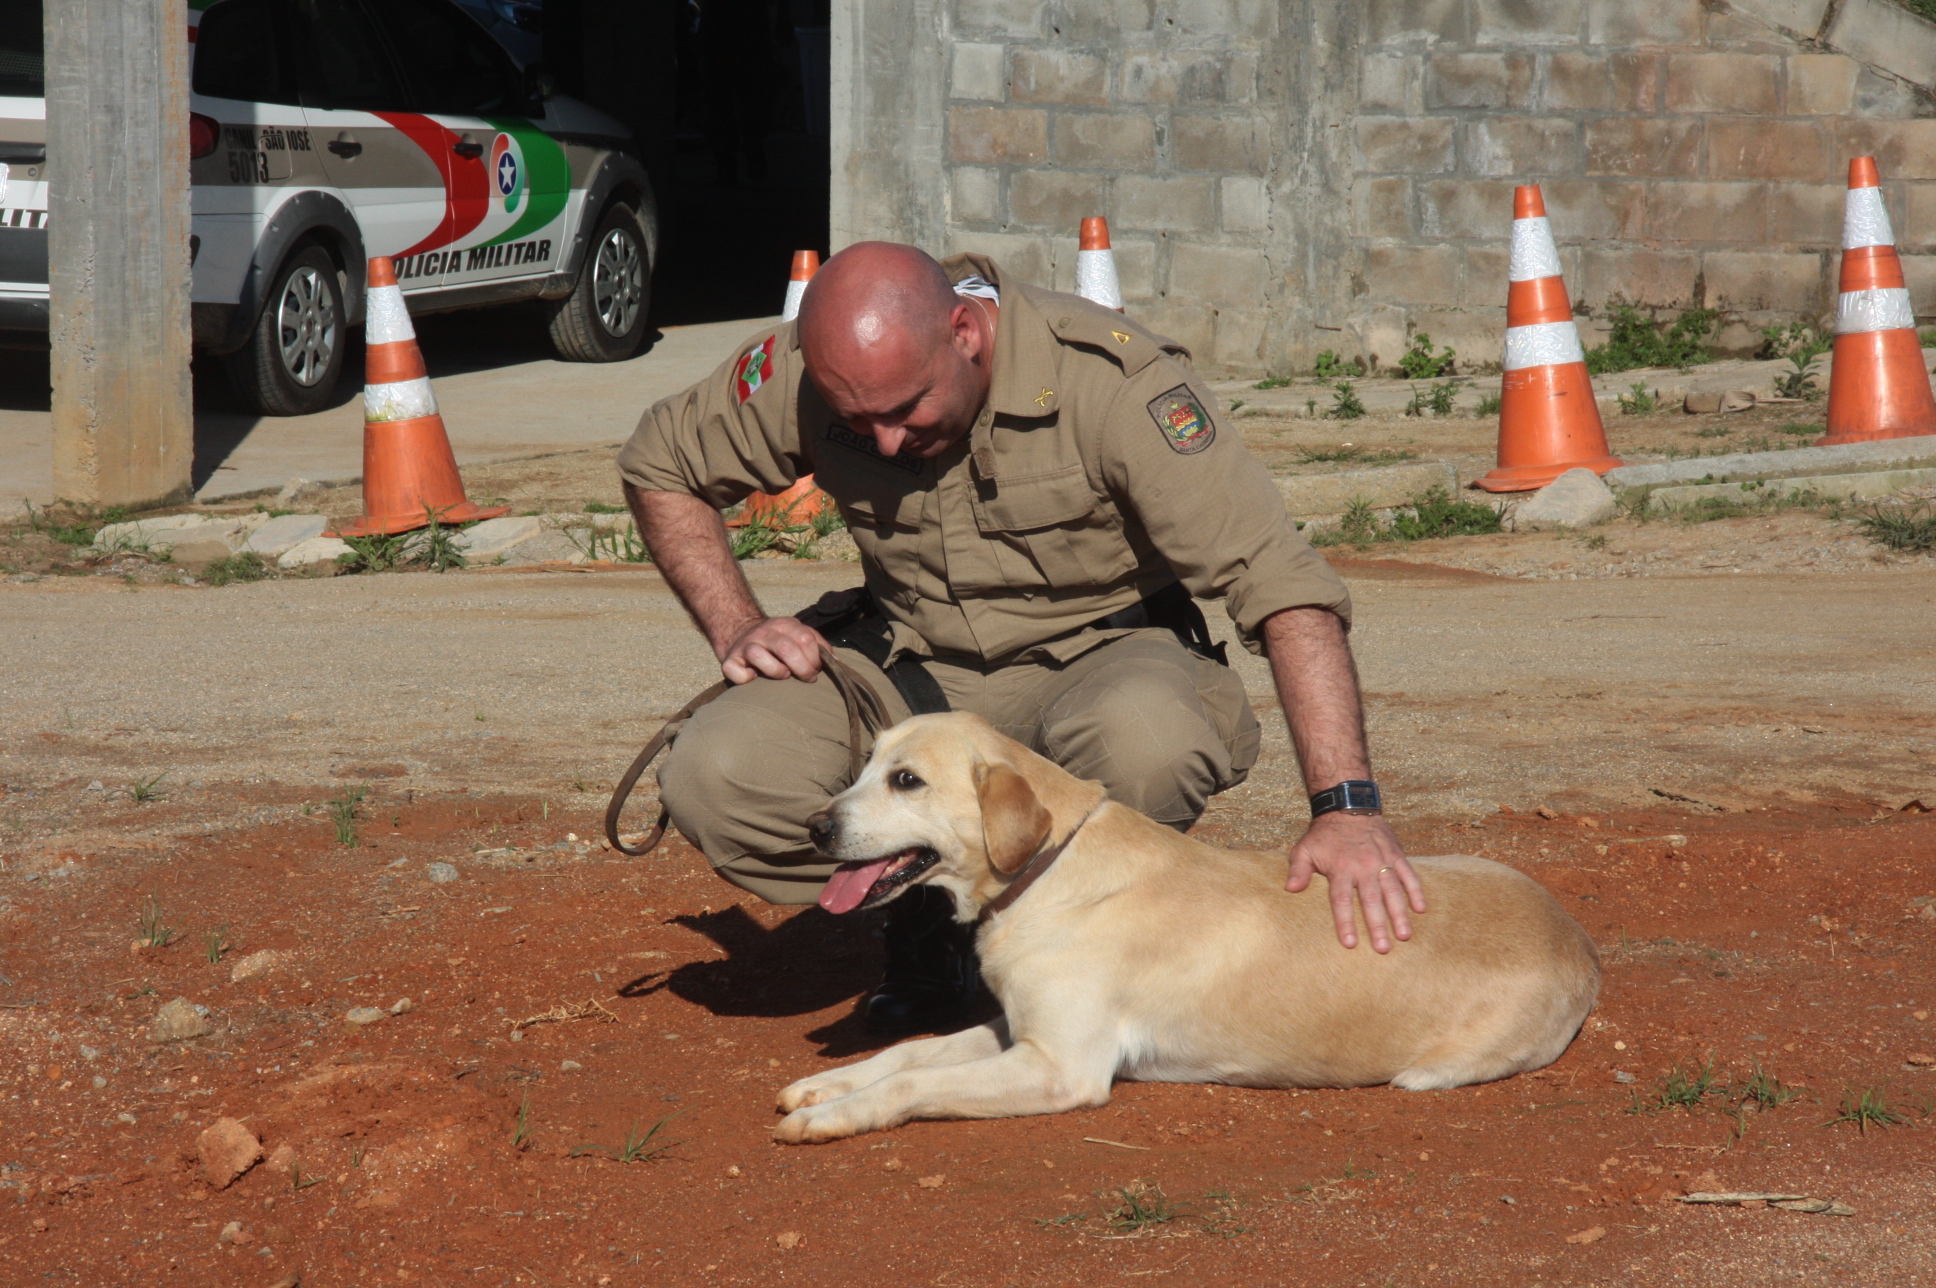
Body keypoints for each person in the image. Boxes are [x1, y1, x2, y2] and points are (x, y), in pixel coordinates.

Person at [616, 242, 1423, 1031]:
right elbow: (661, 461)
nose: (888, 441)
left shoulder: (1113, 382)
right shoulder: (809, 373)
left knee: (1151, 742)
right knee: (723, 775)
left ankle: (1072, 937)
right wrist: (738, 622)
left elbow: (1283, 588)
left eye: (905, 409)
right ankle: (930, 913)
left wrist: (1346, 809)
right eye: (859, 421)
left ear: (966, 334)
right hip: (908, 666)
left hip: (1102, 658)